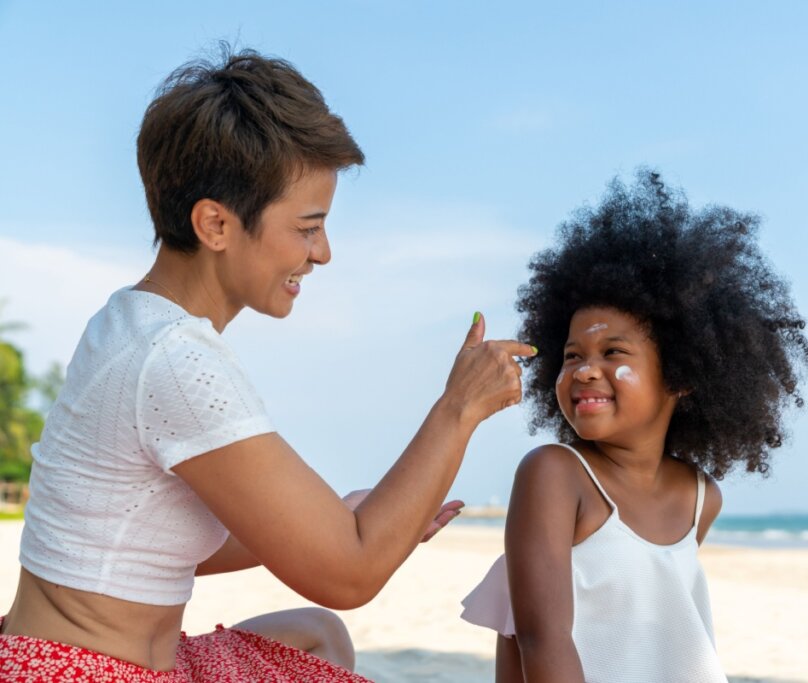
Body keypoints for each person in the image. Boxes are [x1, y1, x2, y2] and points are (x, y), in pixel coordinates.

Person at [0, 47, 535, 682]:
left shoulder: (129, 319)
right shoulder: (176, 361)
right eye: (308, 228)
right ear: (215, 224)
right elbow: (350, 573)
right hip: (72, 669)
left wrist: (350, 514)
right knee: (331, 616)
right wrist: (460, 408)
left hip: (76, 647)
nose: (324, 253)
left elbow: (147, 547)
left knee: (316, 635)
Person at [460, 171, 808, 682]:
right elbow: (543, 639)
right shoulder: (555, 475)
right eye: (572, 354)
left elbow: (661, 633)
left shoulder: (700, 498)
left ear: (682, 374)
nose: (584, 369)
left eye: (612, 352)